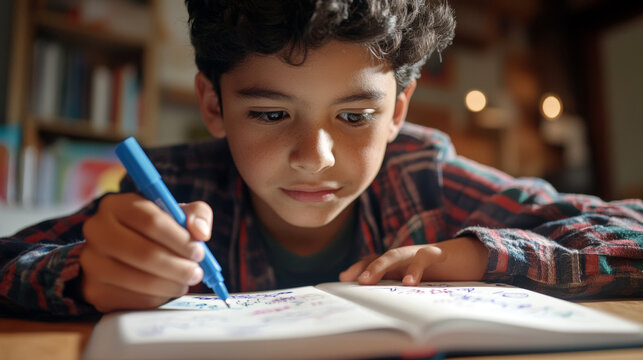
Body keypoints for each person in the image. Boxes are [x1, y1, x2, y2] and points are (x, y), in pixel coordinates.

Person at [1, 0, 641, 317]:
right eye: (272, 114)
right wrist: (81, 276)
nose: (315, 157)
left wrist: (480, 257)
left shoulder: (429, 179)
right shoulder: (175, 185)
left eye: (355, 116)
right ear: (214, 104)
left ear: (397, 111)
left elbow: (631, 232)